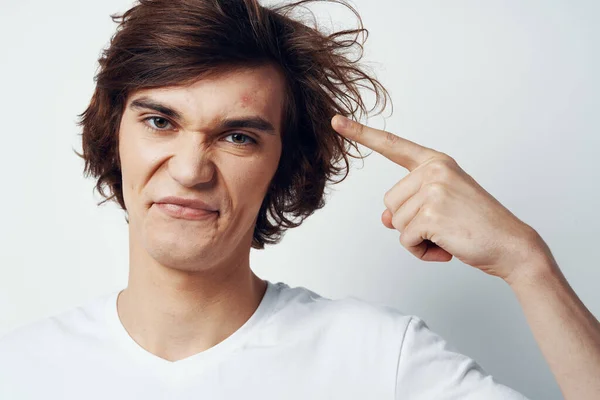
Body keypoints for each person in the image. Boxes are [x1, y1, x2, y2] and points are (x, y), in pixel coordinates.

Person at [1, 0, 598, 398]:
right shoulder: (19, 372)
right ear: (115, 134)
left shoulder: (380, 362)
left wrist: (528, 262)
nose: (189, 169)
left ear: (283, 166)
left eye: (237, 136)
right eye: (160, 121)